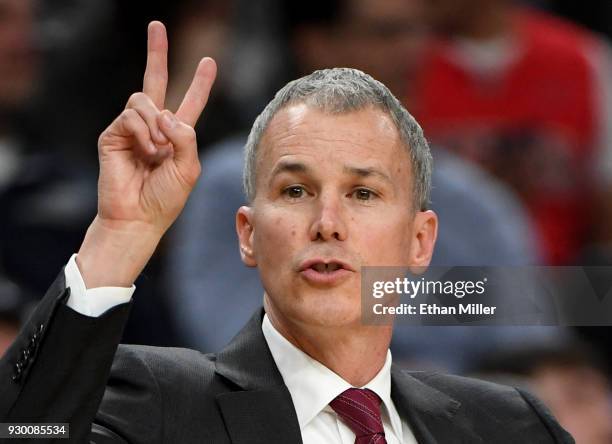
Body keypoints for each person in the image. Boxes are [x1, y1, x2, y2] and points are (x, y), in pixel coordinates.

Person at [0, 22, 572, 443]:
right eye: (295, 191)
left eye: (363, 194)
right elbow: (26, 432)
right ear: (247, 234)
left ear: (420, 241)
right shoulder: (157, 404)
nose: (327, 223)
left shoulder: (513, 425)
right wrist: (120, 234)